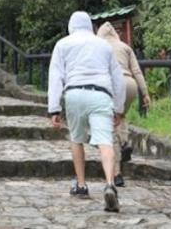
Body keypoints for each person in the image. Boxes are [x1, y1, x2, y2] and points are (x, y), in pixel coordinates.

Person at [48, 11, 126, 213]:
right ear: (90, 26)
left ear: (71, 26)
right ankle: (110, 184)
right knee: (105, 141)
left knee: (77, 138)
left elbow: (56, 76)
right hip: (101, 94)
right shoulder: (103, 45)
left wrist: (54, 108)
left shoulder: (63, 44)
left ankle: (81, 185)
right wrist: (119, 108)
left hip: (74, 94)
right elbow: (117, 78)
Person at [96, 22, 150, 187]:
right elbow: (137, 71)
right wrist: (145, 93)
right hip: (130, 84)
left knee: (110, 126)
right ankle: (125, 141)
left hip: (113, 85)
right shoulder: (125, 47)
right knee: (121, 116)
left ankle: (117, 173)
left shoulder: (99, 47)